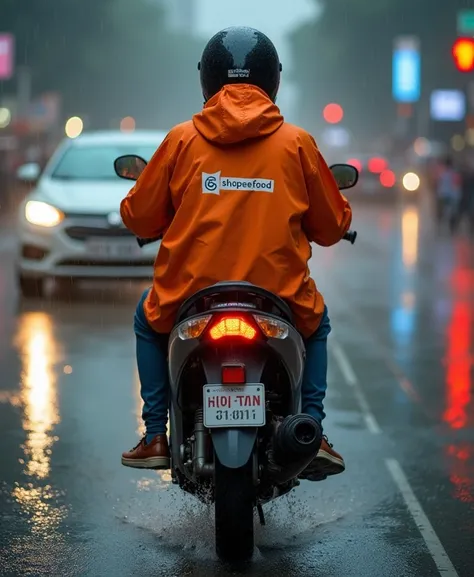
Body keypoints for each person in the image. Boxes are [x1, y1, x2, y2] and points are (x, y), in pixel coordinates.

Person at [120, 26, 352, 480]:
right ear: (273, 81)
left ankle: (155, 436)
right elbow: (331, 227)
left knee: (146, 322)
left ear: (206, 79)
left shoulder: (182, 140)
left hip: (190, 296)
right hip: (278, 297)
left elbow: (140, 218)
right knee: (317, 323)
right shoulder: (297, 144)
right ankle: (314, 431)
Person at [435, 155, 462, 233]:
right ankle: (451, 228)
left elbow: (438, 184)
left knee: (443, 213)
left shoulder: (442, 173)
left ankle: (441, 227)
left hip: (444, 195)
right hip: (452, 195)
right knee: (452, 213)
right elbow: (457, 184)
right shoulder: (454, 174)